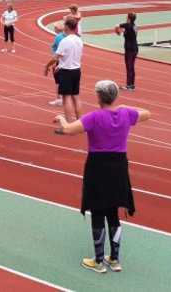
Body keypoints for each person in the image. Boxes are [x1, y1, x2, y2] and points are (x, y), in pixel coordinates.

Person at [54, 80, 151, 274]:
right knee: (113, 211)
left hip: (98, 166)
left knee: (98, 211)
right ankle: (114, 259)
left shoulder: (94, 117)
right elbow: (147, 114)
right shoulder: (125, 114)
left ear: (99, 97)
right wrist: (125, 106)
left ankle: (98, 260)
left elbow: (69, 130)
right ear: (115, 97)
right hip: (118, 167)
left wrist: (61, 119)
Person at [44, 16, 83, 131]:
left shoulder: (65, 41)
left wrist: (47, 66)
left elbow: (56, 57)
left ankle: (69, 125)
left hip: (67, 72)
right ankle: (79, 122)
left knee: (66, 98)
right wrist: (60, 66)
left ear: (67, 27)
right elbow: (70, 56)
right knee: (75, 96)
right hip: (76, 70)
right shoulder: (79, 40)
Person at [114, 13, 138, 90]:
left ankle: (128, 85)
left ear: (129, 19)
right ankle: (132, 84)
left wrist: (117, 32)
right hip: (133, 47)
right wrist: (121, 31)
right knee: (131, 67)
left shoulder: (128, 25)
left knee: (129, 67)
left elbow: (117, 25)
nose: (126, 18)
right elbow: (125, 31)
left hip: (130, 49)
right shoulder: (133, 26)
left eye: (127, 17)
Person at [48, 22, 66, 106]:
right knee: (63, 80)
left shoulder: (58, 37)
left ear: (58, 28)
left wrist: (55, 62)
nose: (54, 29)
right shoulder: (65, 36)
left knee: (58, 81)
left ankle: (59, 99)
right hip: (63, 60)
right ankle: (62, 99)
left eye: (55, 28)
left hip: (58, 60)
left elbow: (60, 50)